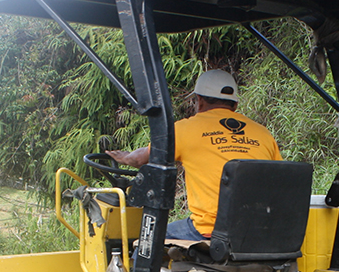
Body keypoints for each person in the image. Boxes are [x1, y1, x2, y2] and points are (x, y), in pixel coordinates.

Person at [106, 69, 281, 241]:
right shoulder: (263, 134)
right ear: (234, 105)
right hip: (261, 229)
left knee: (147, 239)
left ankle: (136, 271)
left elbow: (140, 159)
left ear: (199, 101)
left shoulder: (184, 130)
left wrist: (124, 157)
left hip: (211, 230)